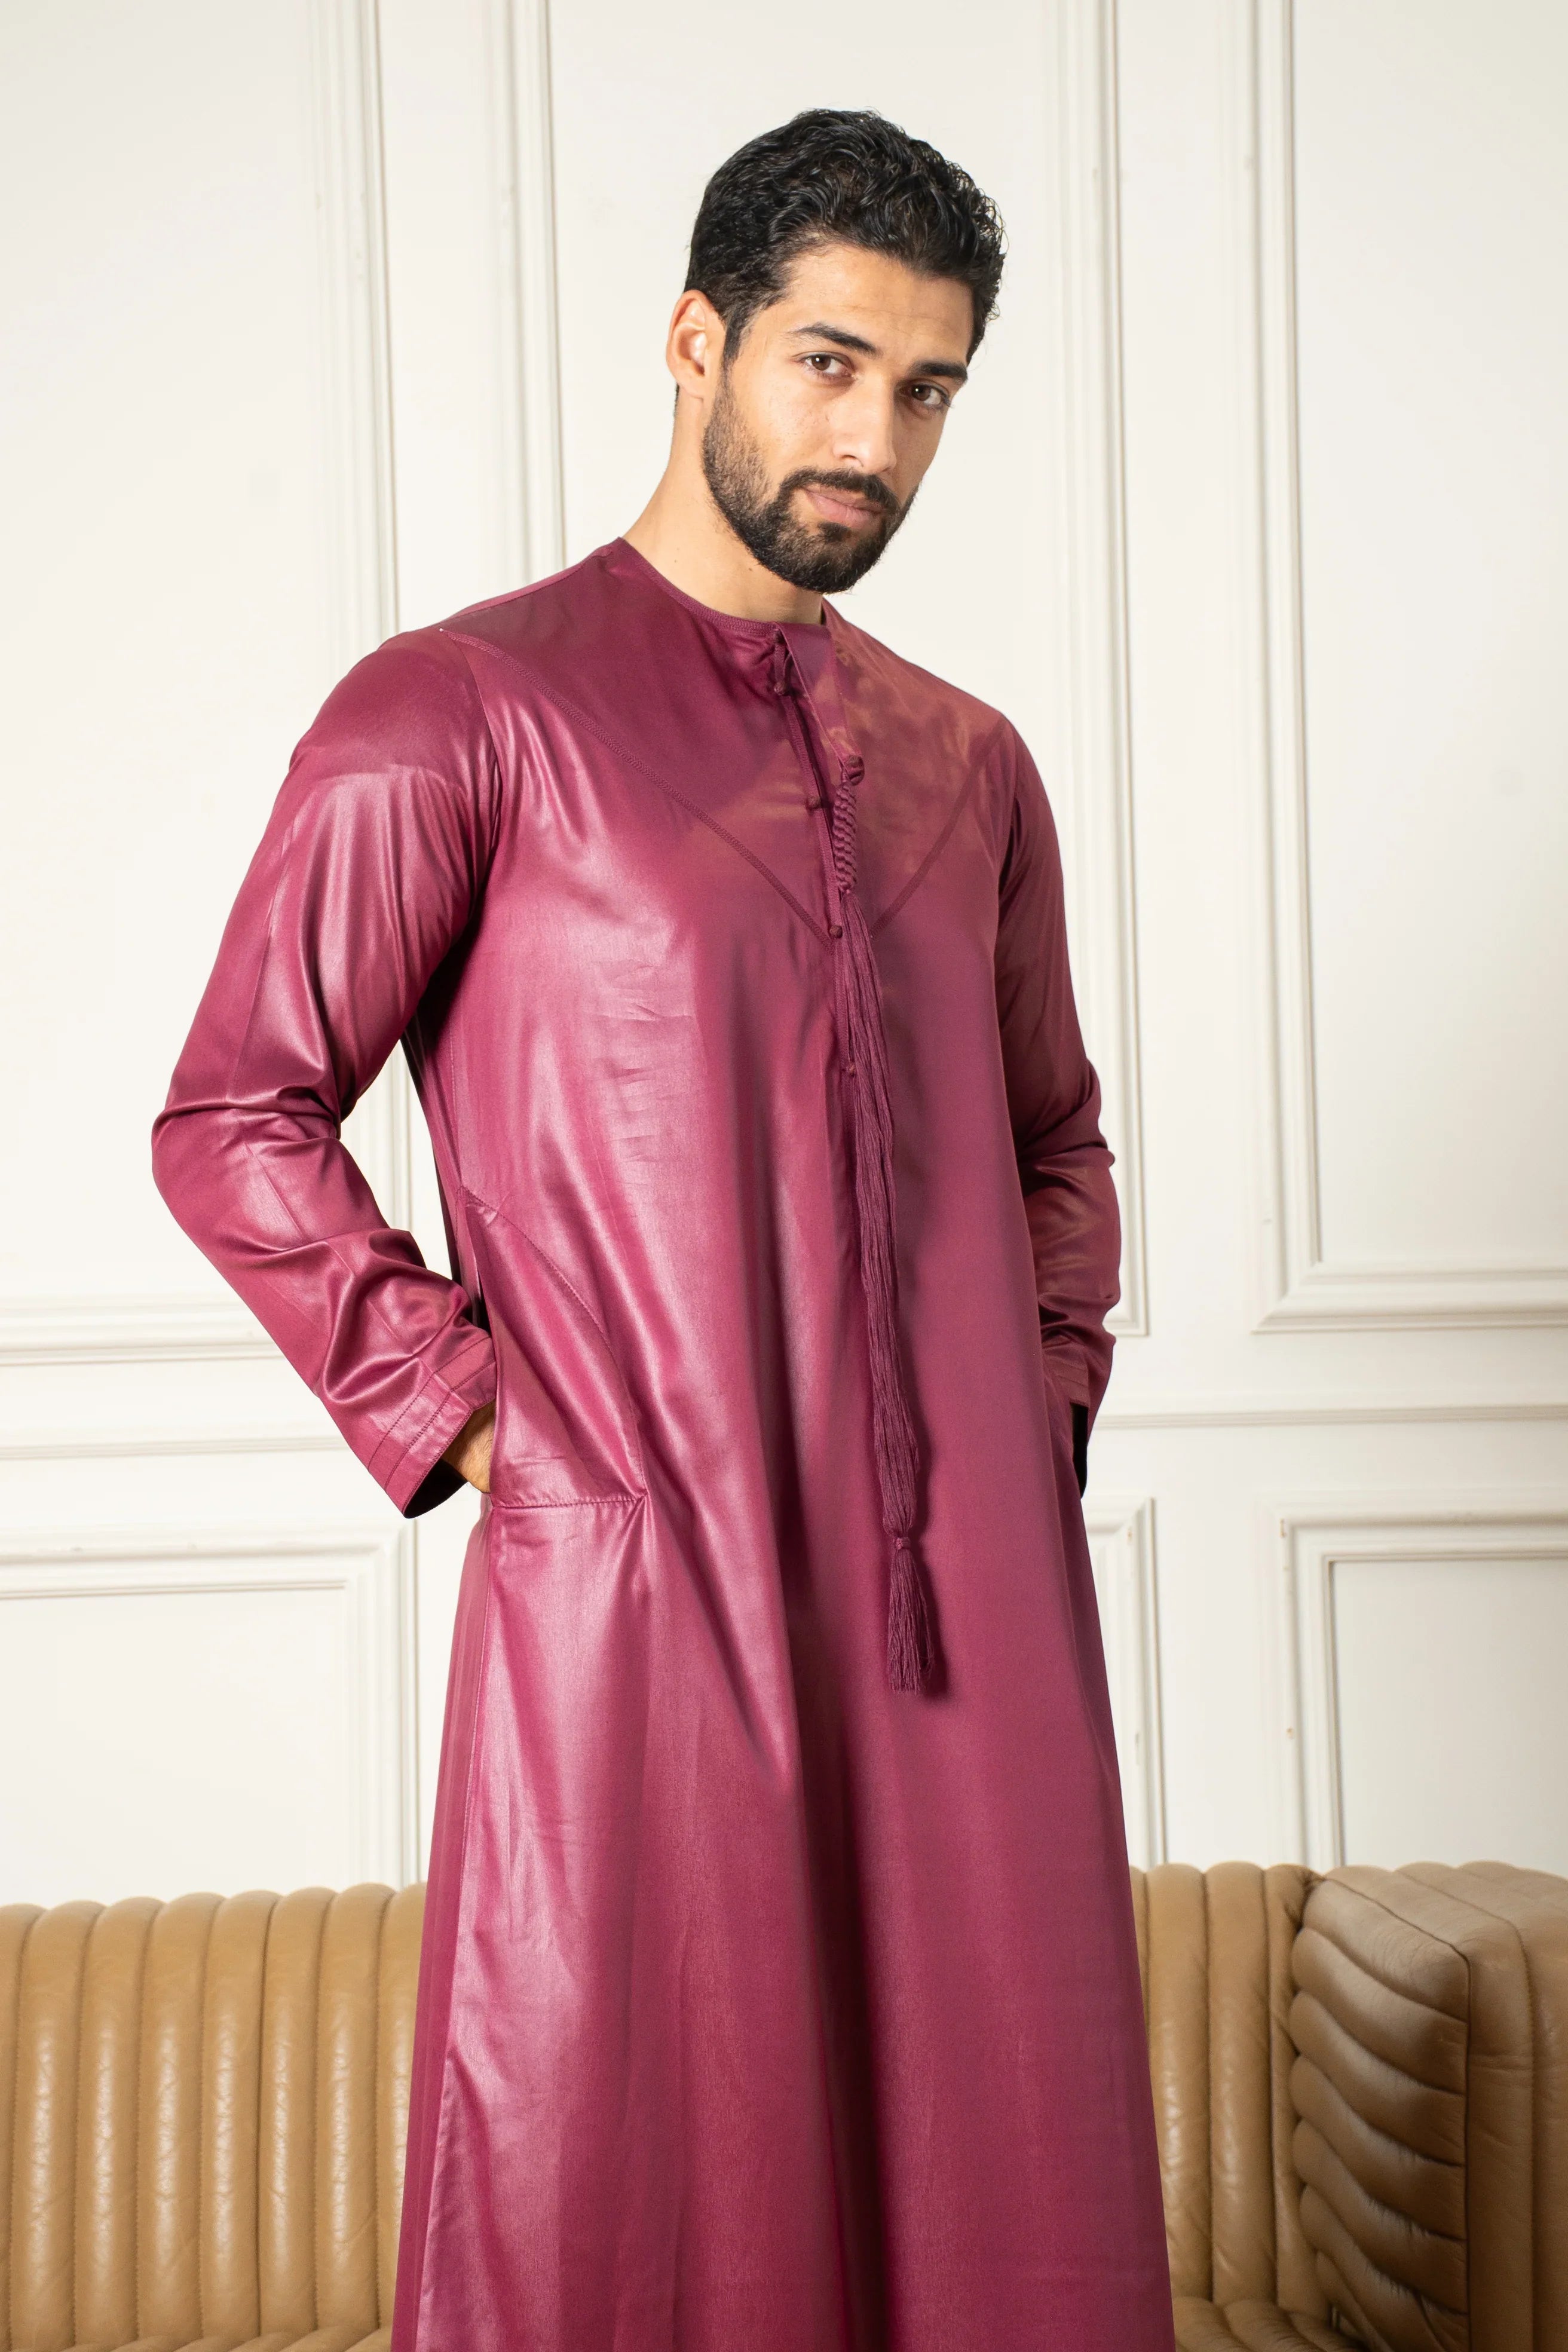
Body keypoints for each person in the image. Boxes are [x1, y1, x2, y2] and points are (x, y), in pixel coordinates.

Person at [153, 107, 1174, 2352]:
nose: (875, 442)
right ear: (697, 341)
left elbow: (1060, 1148)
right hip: (638, 1599)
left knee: (1001, 2176)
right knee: (626, 2179)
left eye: (928, 390)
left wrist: (1032, 1414)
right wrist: (487, 1424)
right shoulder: (461, 709)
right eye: (830, 365)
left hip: (970, 1622)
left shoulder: (972, 762)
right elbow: (237, 1113)